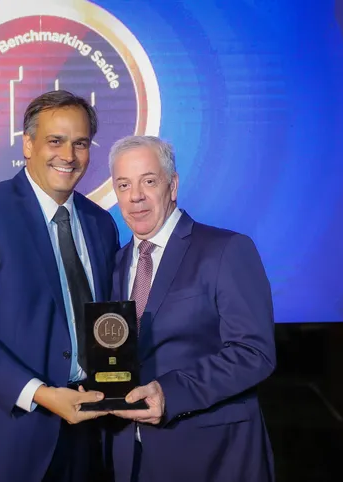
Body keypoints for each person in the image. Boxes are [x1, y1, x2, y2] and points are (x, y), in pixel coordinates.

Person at [0, 90, 118, 482]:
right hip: (8, 435)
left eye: (80, 143)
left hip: (90, 432)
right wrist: (41, 394)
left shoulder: (101, 222)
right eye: (55, 140)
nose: (68, 155)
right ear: (28, 144)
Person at [105, 135, 277, 481]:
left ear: (173, 185)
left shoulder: (227, 250)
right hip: (130, 460)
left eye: (148, 181)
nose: (135, 196)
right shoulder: (116, 263)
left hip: (213, 457)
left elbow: (254, 353)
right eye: (124, 185)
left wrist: (170, 393)